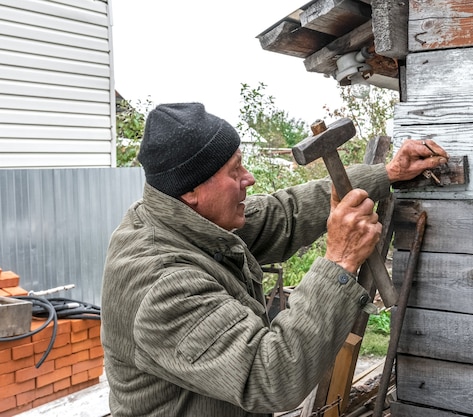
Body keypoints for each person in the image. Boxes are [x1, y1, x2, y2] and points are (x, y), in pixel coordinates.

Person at [101, 102, 448, 417]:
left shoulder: (187, 221)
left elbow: (287, 213)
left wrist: (387, 174)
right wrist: (340, 261)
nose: (248, 178)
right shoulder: (161, 283)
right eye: (235, 171)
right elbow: (270, 376)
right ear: (191, 190)